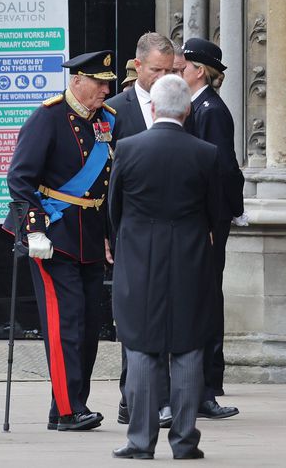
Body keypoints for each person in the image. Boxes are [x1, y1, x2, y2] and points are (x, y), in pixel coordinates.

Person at [4, 51, 116, 431]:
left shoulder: (107, 121)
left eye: (108, 83)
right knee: (65, 322)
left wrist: (108, 234)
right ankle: (70, 410)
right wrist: (33, 228)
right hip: (55, 234)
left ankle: (68, 404)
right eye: (99, 82)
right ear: (77, 81)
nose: (105, 89)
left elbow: (107, 186)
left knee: (88, 325)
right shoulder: (47, 118)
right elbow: (20, 178)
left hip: (90, 236)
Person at [110, 74, 218, 460]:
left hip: (139, 258)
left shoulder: (127, 148)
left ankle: (140, 441)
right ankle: (185, 441)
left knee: (140, 346)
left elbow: (114, 208)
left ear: (152, 108)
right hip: (190, 258)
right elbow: (216, 211)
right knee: (188, 348)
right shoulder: (206, 153)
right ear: (187, 110)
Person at [107, 32, 174, 428]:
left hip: (172, 232)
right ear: (137, 67)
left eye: (170, 70)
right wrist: (108, 233)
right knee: (133, 318)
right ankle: (130, 397)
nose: (164, 77)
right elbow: (105, 181)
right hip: (130, 232)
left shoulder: (181, 108)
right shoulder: (115, 112)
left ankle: (158, 400)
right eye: (156, 70)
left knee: (167, 316)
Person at [182, 37, 244, 420]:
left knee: (206, 300)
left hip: (208, 223)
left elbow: (219, 169)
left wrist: (211, 219)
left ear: (200, 70)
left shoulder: (211, 110)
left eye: (184, 66)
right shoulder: (197, 106)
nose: (179, 72)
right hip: (200, 219)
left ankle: (209, 382)